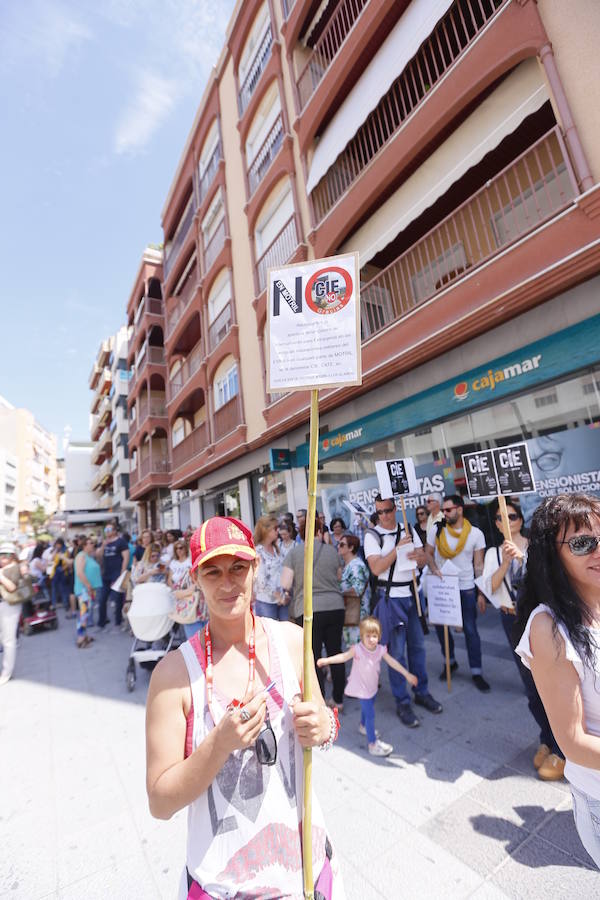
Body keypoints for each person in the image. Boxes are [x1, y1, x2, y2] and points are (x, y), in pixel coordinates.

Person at [145, 516, 344, 898]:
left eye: (238, 567)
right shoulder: (173, 676)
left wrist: (324, 727)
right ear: (196, 578)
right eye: (213, 571)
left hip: (309, 872)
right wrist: (218, 745)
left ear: (255, 567)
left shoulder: (291, 641)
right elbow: (159, 801)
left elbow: (326, 723)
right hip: (224, 885)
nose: (227, 582)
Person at [515, 493, 600, 865]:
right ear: (554, 554)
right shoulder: (548, 627)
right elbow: (572, 740)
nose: (598, 550)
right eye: (583, 543)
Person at [483, 500, 564, 781]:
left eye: (514, 515)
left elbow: (549, 581)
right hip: (511, 618)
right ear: (495, 523)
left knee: (552, 684)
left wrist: (522, 558)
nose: (509, 521)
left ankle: (562, 748)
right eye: (502, 518)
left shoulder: (535, 546)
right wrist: (506, 562)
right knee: (531, 688)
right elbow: (491, 587)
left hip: (540, 619)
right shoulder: (494, 552)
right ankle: (546, 737)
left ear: (521, 519)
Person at [365, 494, 442, 727]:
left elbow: (422, 559)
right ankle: (402, 701)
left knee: (418, 648)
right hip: (391, 599)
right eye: (380, 512)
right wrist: (397, 550)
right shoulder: (373, 535)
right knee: (397, 654)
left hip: (413, 595)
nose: (384, 516)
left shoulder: (408, 528)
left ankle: (422, 691)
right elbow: (376, 567)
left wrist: (419, 556)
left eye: (388, 510)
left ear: (395, 508)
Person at [317, 616, 418, 756]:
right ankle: (372, 744)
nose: (371, 639)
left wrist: (407, 674)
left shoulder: (380, 650)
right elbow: (343, 657)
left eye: (374, 636)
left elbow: (393, 663)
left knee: (369, 706)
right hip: (361, 688)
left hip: (372, 687)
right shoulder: (357, 650)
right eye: (368, 636)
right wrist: (327, 660)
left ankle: (363, 726)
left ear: (379, 636)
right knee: (370, 714)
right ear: (361, 636)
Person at [425, 494, 490, 692]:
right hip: (443, 586)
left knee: (470, 629)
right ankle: (450, 661)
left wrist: (481, 593)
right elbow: (428, 553)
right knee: (442, 629)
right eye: (443, 510)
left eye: (448, 510)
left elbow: (479, 565)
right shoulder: (436, 530)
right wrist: (434, 568)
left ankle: (476, 671)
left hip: (466, 587)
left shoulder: (476, 534)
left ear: (459, 510)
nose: (443, 513)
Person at [281, 519, 346, 709]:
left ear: (300, 533)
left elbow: (285, 583)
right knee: (335, 652)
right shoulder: (332, 551)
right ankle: (338, 700)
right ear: (319, 531)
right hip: (335, 606)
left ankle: (320, 700)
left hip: (308, 610)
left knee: (313, 656)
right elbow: (339, 576)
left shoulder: (294, 553)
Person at [253, 516, 287, 621]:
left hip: (281, 599)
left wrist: (285, 592)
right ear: (265, 530)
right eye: (275, 528)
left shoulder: (278, 549)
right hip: (266, 601)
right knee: (270, 633)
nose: (278, 531)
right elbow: (261, 579)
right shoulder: (258, 552)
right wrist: (276, 594)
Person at [338, 534, 370, 647]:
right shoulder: (348, 565)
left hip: (357, 613)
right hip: (351, 612)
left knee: (358, 648)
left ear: (351, 548)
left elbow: (357, 590)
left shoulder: (356, 566)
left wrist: (337, 593)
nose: (338, 546)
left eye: (342, 544)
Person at [96, 524, 130, 630]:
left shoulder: (121, 542)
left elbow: (126, 557)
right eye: (106, 529)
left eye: (109, 529)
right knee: (102, 599)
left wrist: (122, 573)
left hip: (117, 573)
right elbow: (98, 556)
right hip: (106, 574)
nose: (107, 531)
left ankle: (118, 622)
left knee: (117, 599)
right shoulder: (105, 542)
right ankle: (101, 623)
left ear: (115, 531)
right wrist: (103, 545)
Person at [74, 536, 103, 648]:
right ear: (85, 545)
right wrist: (88, 585)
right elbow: (80, 573)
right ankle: (81, 639)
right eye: (90, 543)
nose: (93, 545)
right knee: (83, 613)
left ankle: (84, 635)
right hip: (84, 590)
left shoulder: (88, 556)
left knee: (85, 613)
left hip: (87, 590)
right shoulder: (81, 556)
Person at [0, 543, 22, 686]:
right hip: (4, 605)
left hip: (9, 605)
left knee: (8, 641)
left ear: (11, 556)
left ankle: (7, 673)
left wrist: (1, 577)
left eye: (5, 555)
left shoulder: (14, 568)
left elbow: (12, 587)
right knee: (5, 639)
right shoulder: (6, 568)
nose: (2, 558)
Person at [48, 538, 73, 615]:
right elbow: (52, 559)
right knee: (54, 589)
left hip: (63, 571)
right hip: (55, 572)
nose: (57, 546)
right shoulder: (55, 551)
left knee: (63, 589)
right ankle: (54, 604)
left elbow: (69, 561)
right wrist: (55, 551)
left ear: (61, 544)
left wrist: (63, 568)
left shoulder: (66, 551)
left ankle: (66, 604)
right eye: (56, 544)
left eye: (58, 544)